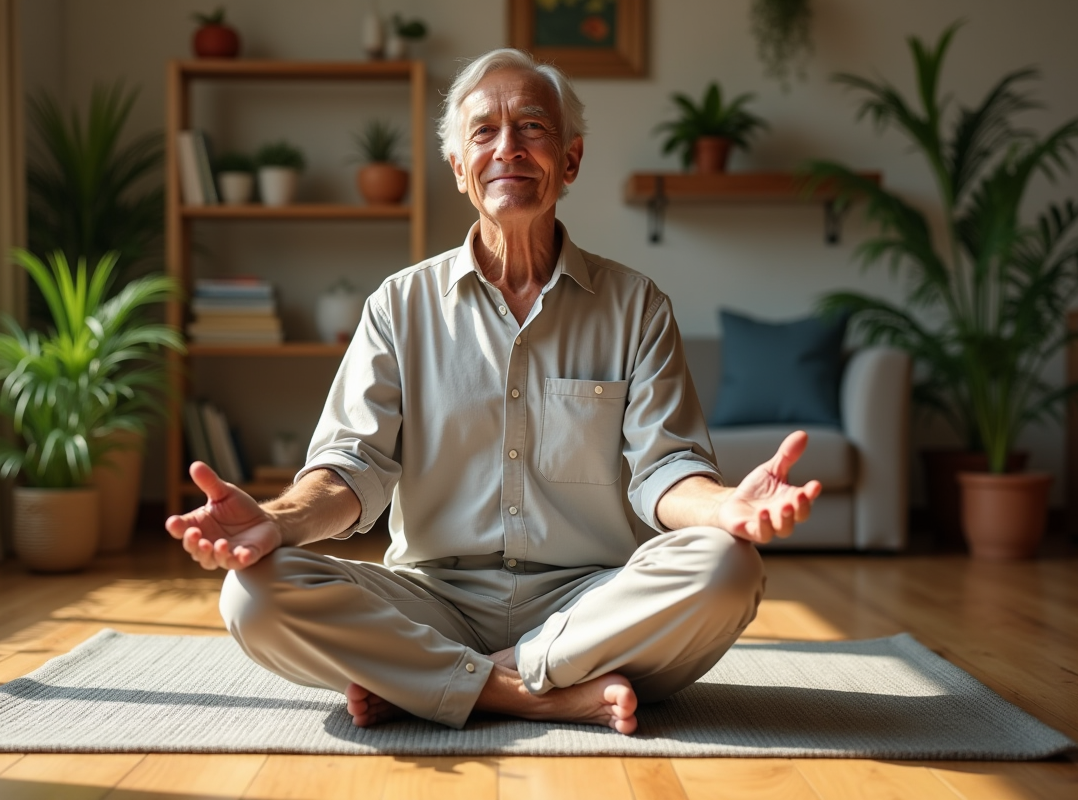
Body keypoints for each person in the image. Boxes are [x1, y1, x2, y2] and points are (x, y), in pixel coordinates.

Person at [166, 48, 821, 735]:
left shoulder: (637, 306)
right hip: (432, 597)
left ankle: (437, 680)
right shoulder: (399, 305)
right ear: (458, 168)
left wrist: (726, 506)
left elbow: (665, 470)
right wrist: (278, 520)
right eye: (484, 132)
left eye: (533, 128)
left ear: (569, 161)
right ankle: (535, 691)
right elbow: (349, 471)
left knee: (726, 566)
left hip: (591, 601)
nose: (508, 148)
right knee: (253, 596)